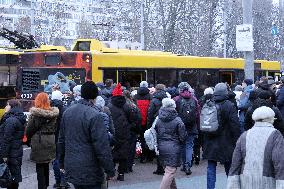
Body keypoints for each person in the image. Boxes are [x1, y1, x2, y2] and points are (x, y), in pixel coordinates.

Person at [58, 81, 115, 189]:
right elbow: (101, 146)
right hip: (90, 168)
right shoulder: (95, 115)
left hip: (72, 165)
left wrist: (61, 162)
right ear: (95, 96)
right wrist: (110, 169)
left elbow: (61, 140)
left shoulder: (68, 112)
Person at [227, 106, 284, 189]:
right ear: (271, 119)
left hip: (245, 181)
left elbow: (235, 163)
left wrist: (232, 184)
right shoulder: (276, 135)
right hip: (268, 182)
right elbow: (279, 163)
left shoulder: (244, 135)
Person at [202, 83, 240, 189]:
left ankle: (210, 187)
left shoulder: (208, 103)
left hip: (210, 140)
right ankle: (231, 186)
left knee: (211, 167)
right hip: (226, 141)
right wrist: (237, 141)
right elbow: (235, 125)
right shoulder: (229, 105)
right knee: (229, 167)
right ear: (225, 92)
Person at [26, 92, 59, 189]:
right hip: (50, 139)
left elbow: (29, 129)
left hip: (39, 141)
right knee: (46, 164)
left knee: (39, 165)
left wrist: (28, 139)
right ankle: (46, 184)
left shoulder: (35, 114)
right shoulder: (54, 114)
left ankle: (42, 186)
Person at [156, 98, 187, 189]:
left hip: (161, 146)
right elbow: (183, 136)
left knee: (168, 170)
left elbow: (156, 131)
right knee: (170, 172)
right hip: (174, 147)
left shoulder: (158, 119)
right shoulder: (177, 120)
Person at [107, 83, 134, 181]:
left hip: (112, 132)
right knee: (123, 154)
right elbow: (132, 119)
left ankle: (111, 173)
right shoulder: (127, 105)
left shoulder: (109, 106)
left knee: (111, 153)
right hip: (124, 132)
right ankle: (121, 174)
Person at [173, 82, 199, 175]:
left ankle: (184, 165)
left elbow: (173, 114)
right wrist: (198, 126)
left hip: (180, 127)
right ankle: (188, 165)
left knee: (182, 146)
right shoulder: (194, 99)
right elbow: (197, 114)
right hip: (192, 127)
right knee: (189, 146)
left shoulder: (176, 99)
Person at [0, 100, 26, 189]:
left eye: (7, 105)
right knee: (14, 176)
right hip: (17, 152)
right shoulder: (18, 118)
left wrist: (4, 155)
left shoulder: (10, 121)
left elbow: (6, 140)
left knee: (9, 178)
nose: (5, 107)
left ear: (12, 107)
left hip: (10, 154)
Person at [50, 90, 69, 189]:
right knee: (63, 160)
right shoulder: (65, 109)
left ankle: (57, 181)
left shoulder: (49, 109)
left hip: (52, 138)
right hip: (63, 138)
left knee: (55, 160)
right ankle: (64, 181)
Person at [147, 84, 168, 175]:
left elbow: (150, 113)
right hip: (167, 124)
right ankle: (166, 166)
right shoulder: (167, 98)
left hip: (156, 124)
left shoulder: (154, 99)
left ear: (156, 89)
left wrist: (149, 125)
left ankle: (160, 167)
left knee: (157, 144)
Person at [134, 81, 152, 164]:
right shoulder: (150, 96)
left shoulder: (135, 96)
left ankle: (140, 155)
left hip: (138, 121)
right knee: (147, 139)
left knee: (139, 139)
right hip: (147, 121)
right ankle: (148, 156)